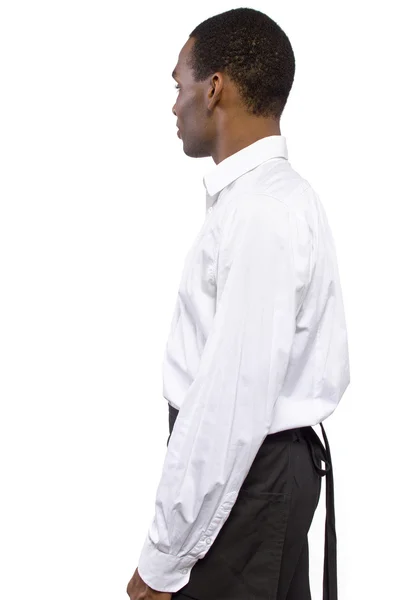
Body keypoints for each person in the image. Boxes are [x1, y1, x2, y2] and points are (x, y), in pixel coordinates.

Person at [126, 7, 350, 600]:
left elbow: (230, 402)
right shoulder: (267, 199)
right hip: (254, 482)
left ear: (215, 87)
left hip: (248, 485)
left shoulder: (260, 213)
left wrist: (162, 558)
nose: (175, 105)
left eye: (179, 85)